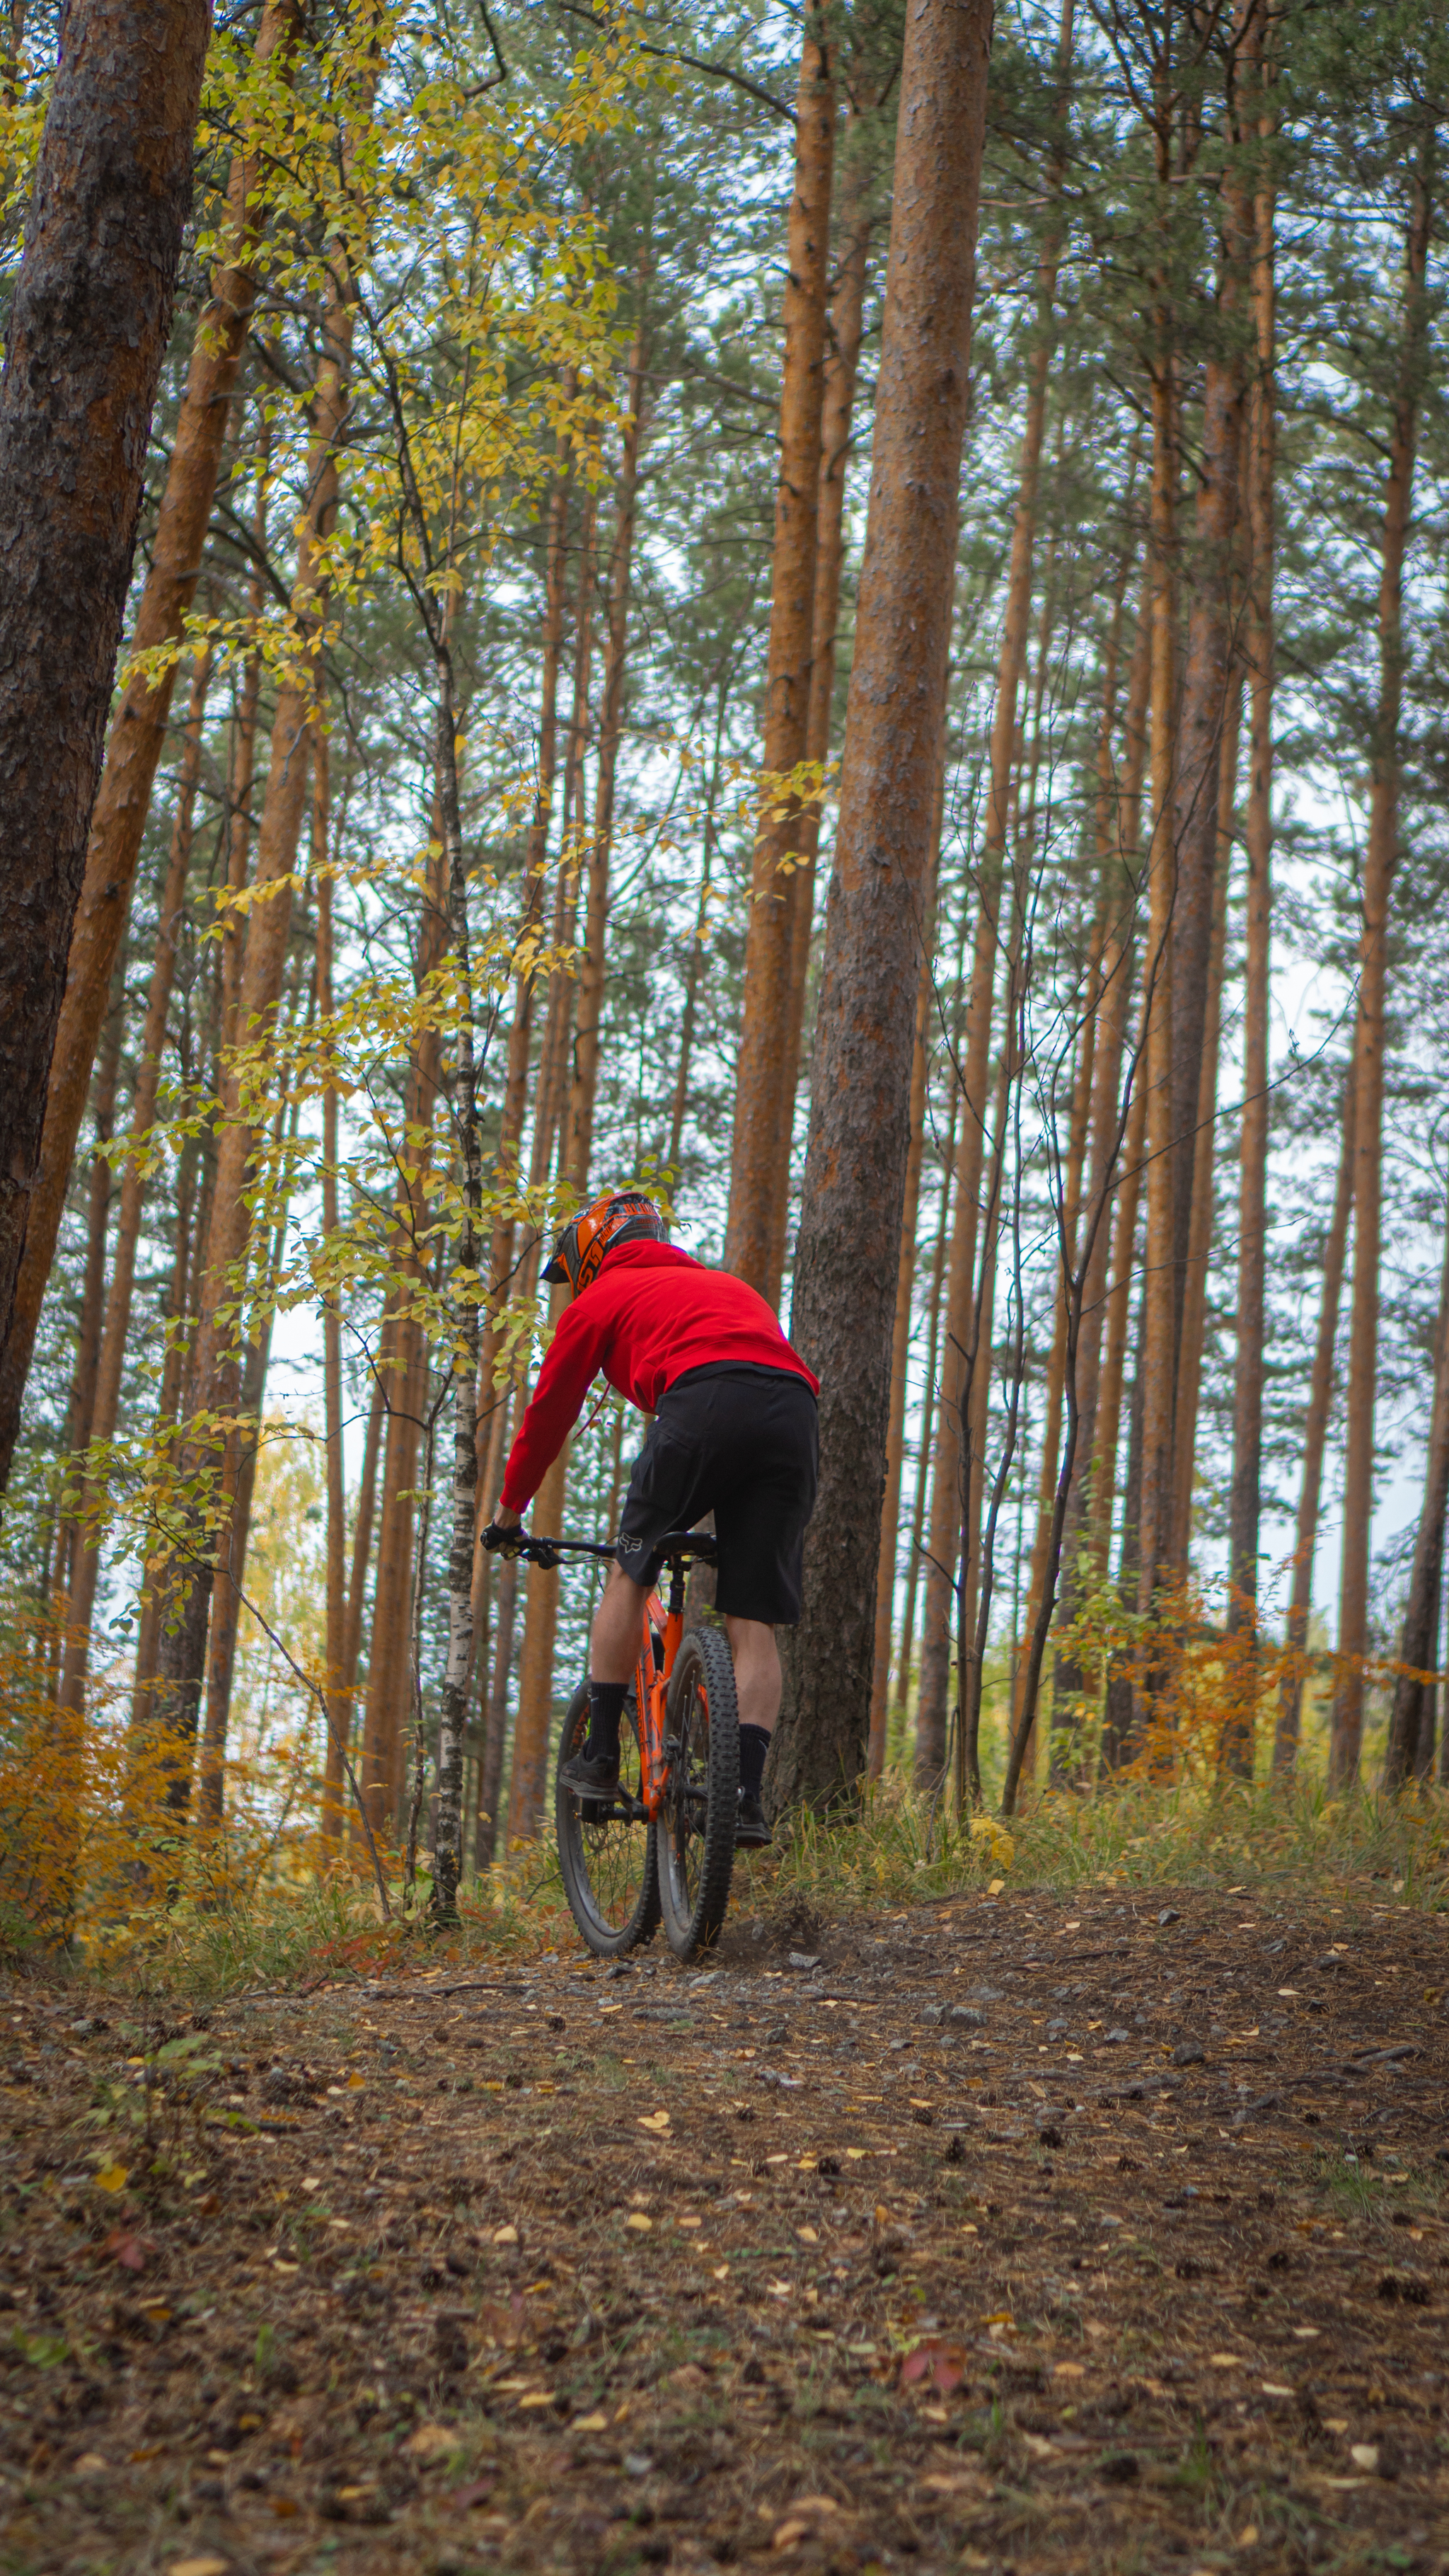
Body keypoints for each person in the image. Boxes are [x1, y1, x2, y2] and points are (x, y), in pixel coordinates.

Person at [482, 1188, 819, 1847]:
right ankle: (746, 1798)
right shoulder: (727, 1287)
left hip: (703, 1402)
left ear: (592, 1253)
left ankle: (602, 1756)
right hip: (793, 1415)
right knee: (753, 1622)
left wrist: (509, 1513)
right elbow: (760, 1365)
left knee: (631, 1570)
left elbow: (548, 1414)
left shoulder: (598, 1300)